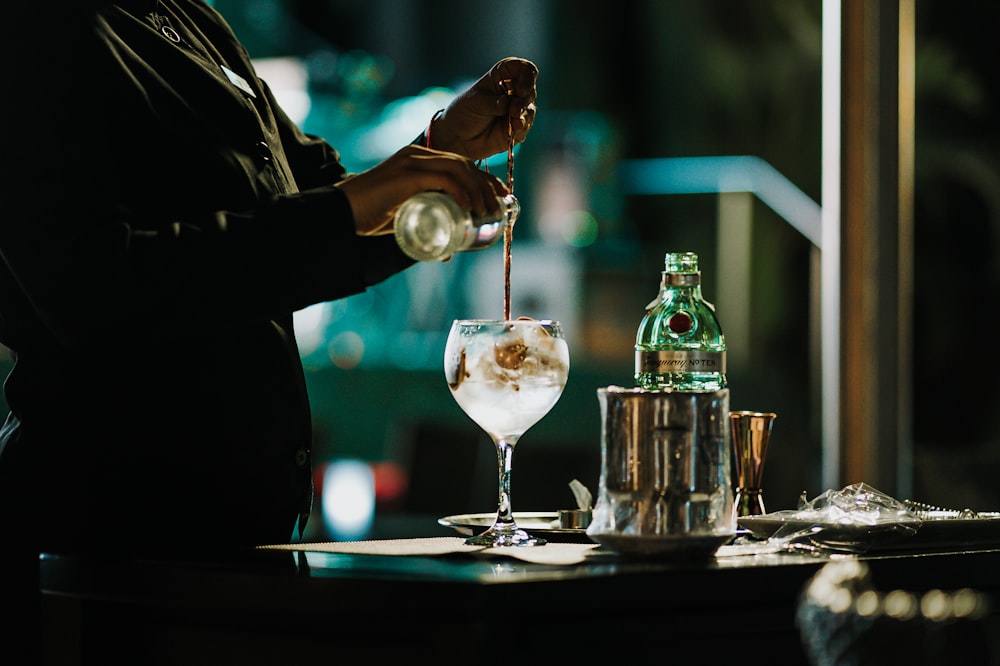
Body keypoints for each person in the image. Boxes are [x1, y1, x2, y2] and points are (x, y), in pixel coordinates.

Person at [0, 0, 538, 661]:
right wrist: (358, 205)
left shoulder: (191, 17)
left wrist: (439, 155)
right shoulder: (35, 26)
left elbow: (318, 201)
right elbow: (93, 293)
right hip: (108, 555)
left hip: (238, 554)